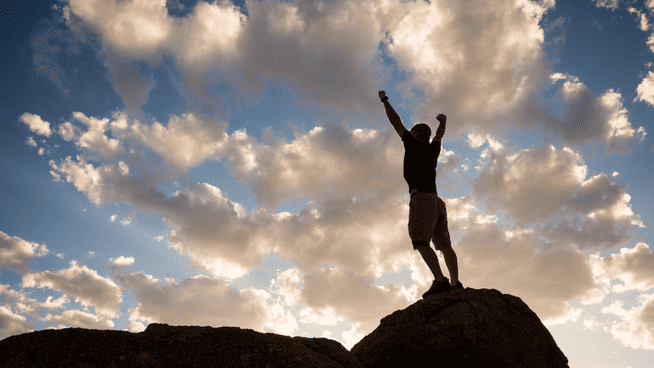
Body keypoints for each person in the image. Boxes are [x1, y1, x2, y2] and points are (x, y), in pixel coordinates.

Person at [379, 90, 463, 298]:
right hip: (437, 201)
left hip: (422, 199)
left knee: (421, 242)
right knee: (444, 245)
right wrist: (443, 121)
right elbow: (439, 134)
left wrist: (384, 100)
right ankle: (455, 283)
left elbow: (395, 121)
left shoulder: (412, 144)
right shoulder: (433, 149)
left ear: (415, 135)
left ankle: (439, 280)